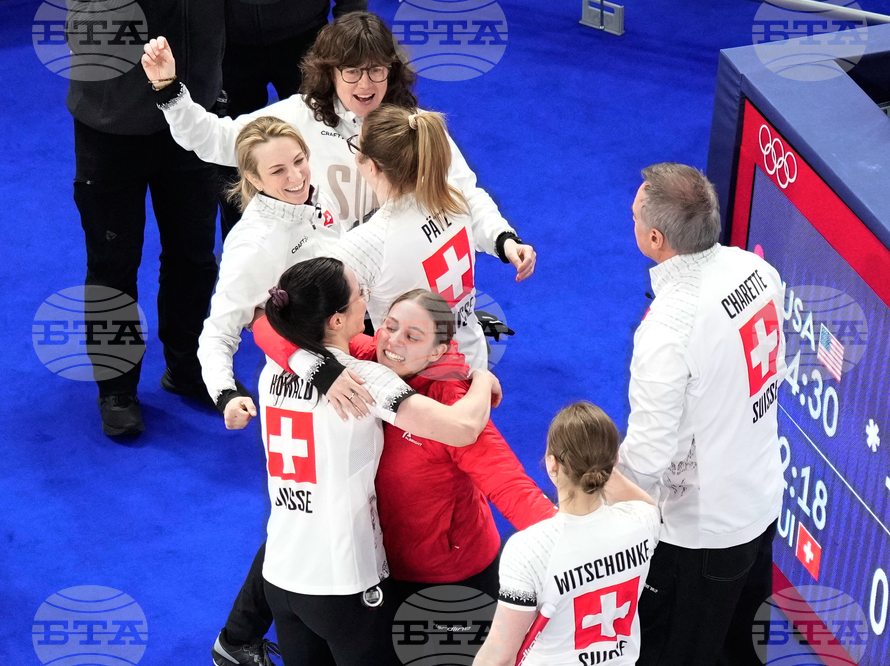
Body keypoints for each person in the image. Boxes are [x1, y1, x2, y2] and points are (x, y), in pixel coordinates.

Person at [212, 290, 553, 666]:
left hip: (451, 577)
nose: (393, 342)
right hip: (379, 571)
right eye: (390, 327)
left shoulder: (450, 404)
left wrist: (575, 545)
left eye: (413, 336)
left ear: (439, 352)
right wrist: (316, 369)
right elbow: (268, 321)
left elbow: (511, 487)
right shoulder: (360, 359)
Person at [139, 11, 537, 278]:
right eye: (352, 72)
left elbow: (461, 190)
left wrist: (503, 240)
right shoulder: (296, 116)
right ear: (330, 72)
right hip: (327, 290)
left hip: (396, 282)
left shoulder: (410, 125)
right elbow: (213, 141)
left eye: (376, 71)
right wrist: (169, 89)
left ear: (391, 71)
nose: (365, 85)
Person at [250, 257, 500, 666]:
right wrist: (482, 378)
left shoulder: (272, 369)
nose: (367, 302)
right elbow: (461, 428)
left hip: (280, 575)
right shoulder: (364, 378)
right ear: (335, 320)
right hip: (343, 585)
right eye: (359, 296)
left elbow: (265, 326)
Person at [616, 163, 787, 666]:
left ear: (654, 237)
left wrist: (598, 497)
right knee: (743, 649)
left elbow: (648, 454)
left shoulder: (668, 327)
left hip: (698, 533)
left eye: (633, 217)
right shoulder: (756, 271)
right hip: (758, 500)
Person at [72, 1, 224, 436]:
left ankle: (188, 366)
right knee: (112, 264)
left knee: (193, 255)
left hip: (192, 116)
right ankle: (116, 388)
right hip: (111, 128)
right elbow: (80, 31)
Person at [473, 402, 660, 666]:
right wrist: (601, 462)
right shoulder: (643, 523)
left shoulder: (528, 549)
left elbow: (499, 655)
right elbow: (648, 506)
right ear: (613, 462)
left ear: (552, 465)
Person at [197, 116, 342, 425]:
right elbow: (218, 332)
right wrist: (226, 394)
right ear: (255, 179)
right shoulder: (254, 246)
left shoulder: (314, 193)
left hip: (352, 336)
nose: (295, 177)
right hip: (311, 369)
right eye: (277, 171)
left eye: (299, 160)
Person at [331, 106, 490, 369]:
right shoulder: (452, 196)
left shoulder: (367, 242)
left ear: (371, 167)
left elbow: (313, 316)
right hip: (470, 359)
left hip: (415, 383)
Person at [216, 0, 367, 239]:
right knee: (233, 157)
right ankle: (246, 246)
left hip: (306, 37)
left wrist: (347, 35)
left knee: (319, 141)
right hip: (227, 42)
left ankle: (323, 240)